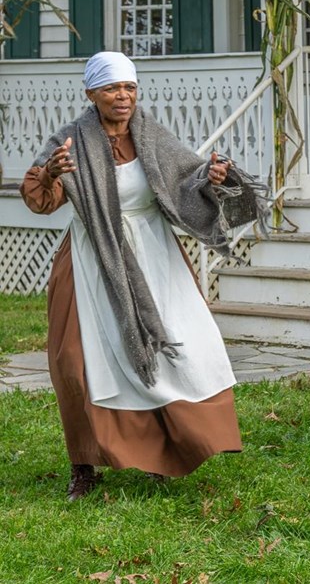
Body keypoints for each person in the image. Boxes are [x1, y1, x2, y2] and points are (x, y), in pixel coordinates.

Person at [22, 51, 261, 499]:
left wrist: (214, 177)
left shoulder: (153, 137)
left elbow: (188, 185)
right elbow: (40, 199)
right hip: (92, 255)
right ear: (91, 93)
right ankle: (84, 466)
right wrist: (51, 173)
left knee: (179, 349)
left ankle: (166, 453)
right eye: (112, 88)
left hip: (154, 255)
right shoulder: (69, 140)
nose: (123, 96)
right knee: (77, 361)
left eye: (129, 87)